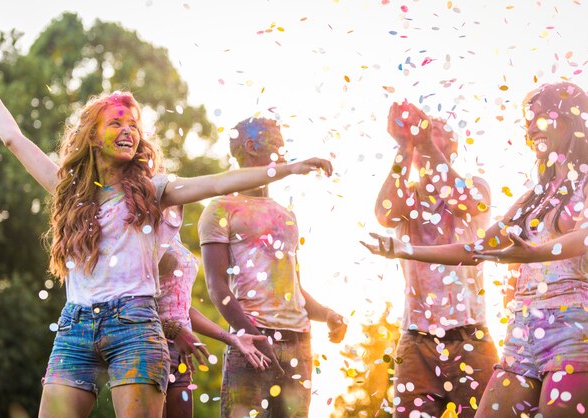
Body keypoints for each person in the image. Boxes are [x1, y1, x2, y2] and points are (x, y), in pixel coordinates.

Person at [0, 52, 333, 418]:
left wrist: (285, 169)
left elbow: (219, 181)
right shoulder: (69, 189)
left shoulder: (154, 191)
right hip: (74, 326)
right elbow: (14, 139)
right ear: (92, 137)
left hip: (135, 327)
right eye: (116, 123)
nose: (128, 131)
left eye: (134, 126)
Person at [362, 83, 588, 418]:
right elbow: (476, 249)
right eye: (529, 120)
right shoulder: (532, 197)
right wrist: (402, 248)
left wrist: (533, 254)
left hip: (572, 326)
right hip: (522, 332)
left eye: (540, 117)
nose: (530, 127)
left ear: (570, 122)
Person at [198, 117, 348, 418]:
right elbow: (217, 287)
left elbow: (294, 289)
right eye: (276, 140)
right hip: (252, 345)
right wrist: (252, 336)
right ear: (252, 146)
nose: (283, 147)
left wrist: (328, 314)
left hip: (300, 344)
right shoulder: (220, 209)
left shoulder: (286, 215)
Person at [374, 101, 498, 418]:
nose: (427, 129)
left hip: (471, 337)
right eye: (423, 129)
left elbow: (465, 203)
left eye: (437, 129)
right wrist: (404, 146)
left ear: (452, 148)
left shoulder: (474, 186)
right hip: (417, 341)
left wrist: (424, 142)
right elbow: (385, 213)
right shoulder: (406, 195)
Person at [158, 206, 271, 418]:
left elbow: (181, 307)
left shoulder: (171, 229)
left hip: (179, 357)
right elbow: (132, 301)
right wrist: (173, 329)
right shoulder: (139, 234)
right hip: (149, 350)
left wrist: (232, 338)